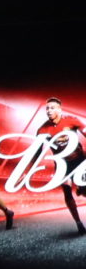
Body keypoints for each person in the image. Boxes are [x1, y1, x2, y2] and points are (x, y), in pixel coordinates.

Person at [31, 98, 86, 231]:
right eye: (47, 108)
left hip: (78, 160)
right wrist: (30, 167)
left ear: (59, 110)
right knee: (67, 192)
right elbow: (36, 152)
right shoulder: (42, 130)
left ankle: (81, 189)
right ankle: (78, 223)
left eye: (52, 108)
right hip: (62, 165)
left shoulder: (71, 120)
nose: (49, 111)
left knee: (85, 191)